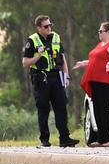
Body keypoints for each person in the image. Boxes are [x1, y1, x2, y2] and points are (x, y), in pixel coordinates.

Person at [22, 15, 79, 147]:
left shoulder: (56, 37)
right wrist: (38, 55)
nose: (49, 28)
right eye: (46, 26)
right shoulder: (32, 40)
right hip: (41, 78)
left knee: (61, 107)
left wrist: (67, 75)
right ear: (39, 28)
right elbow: (25, 63)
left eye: (50, 25)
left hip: (56, 76)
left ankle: (64, 138)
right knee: (43, 109)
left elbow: (62, 57)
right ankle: (44, 139)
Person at [73, 22, 109, 147]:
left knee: (107, 110)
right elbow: (95, 60)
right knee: (98, 110)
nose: (99, 33)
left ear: (108, 32)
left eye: (101, 31)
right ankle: (102, 138)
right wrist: (84, 63)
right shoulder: (100, 44)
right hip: (97, 82)